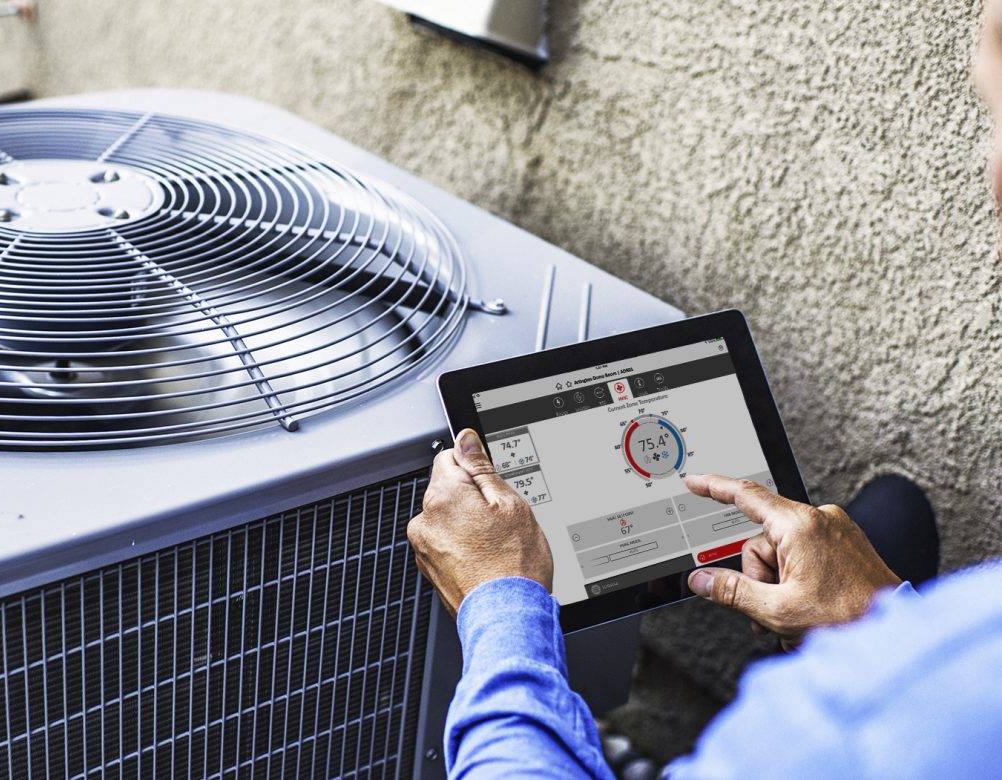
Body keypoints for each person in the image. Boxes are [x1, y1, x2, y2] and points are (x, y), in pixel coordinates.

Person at [406, 4, 1002, 777]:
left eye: (988, 118)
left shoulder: (849, 724)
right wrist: (881, 613)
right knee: (892, 519)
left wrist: (501, 601)